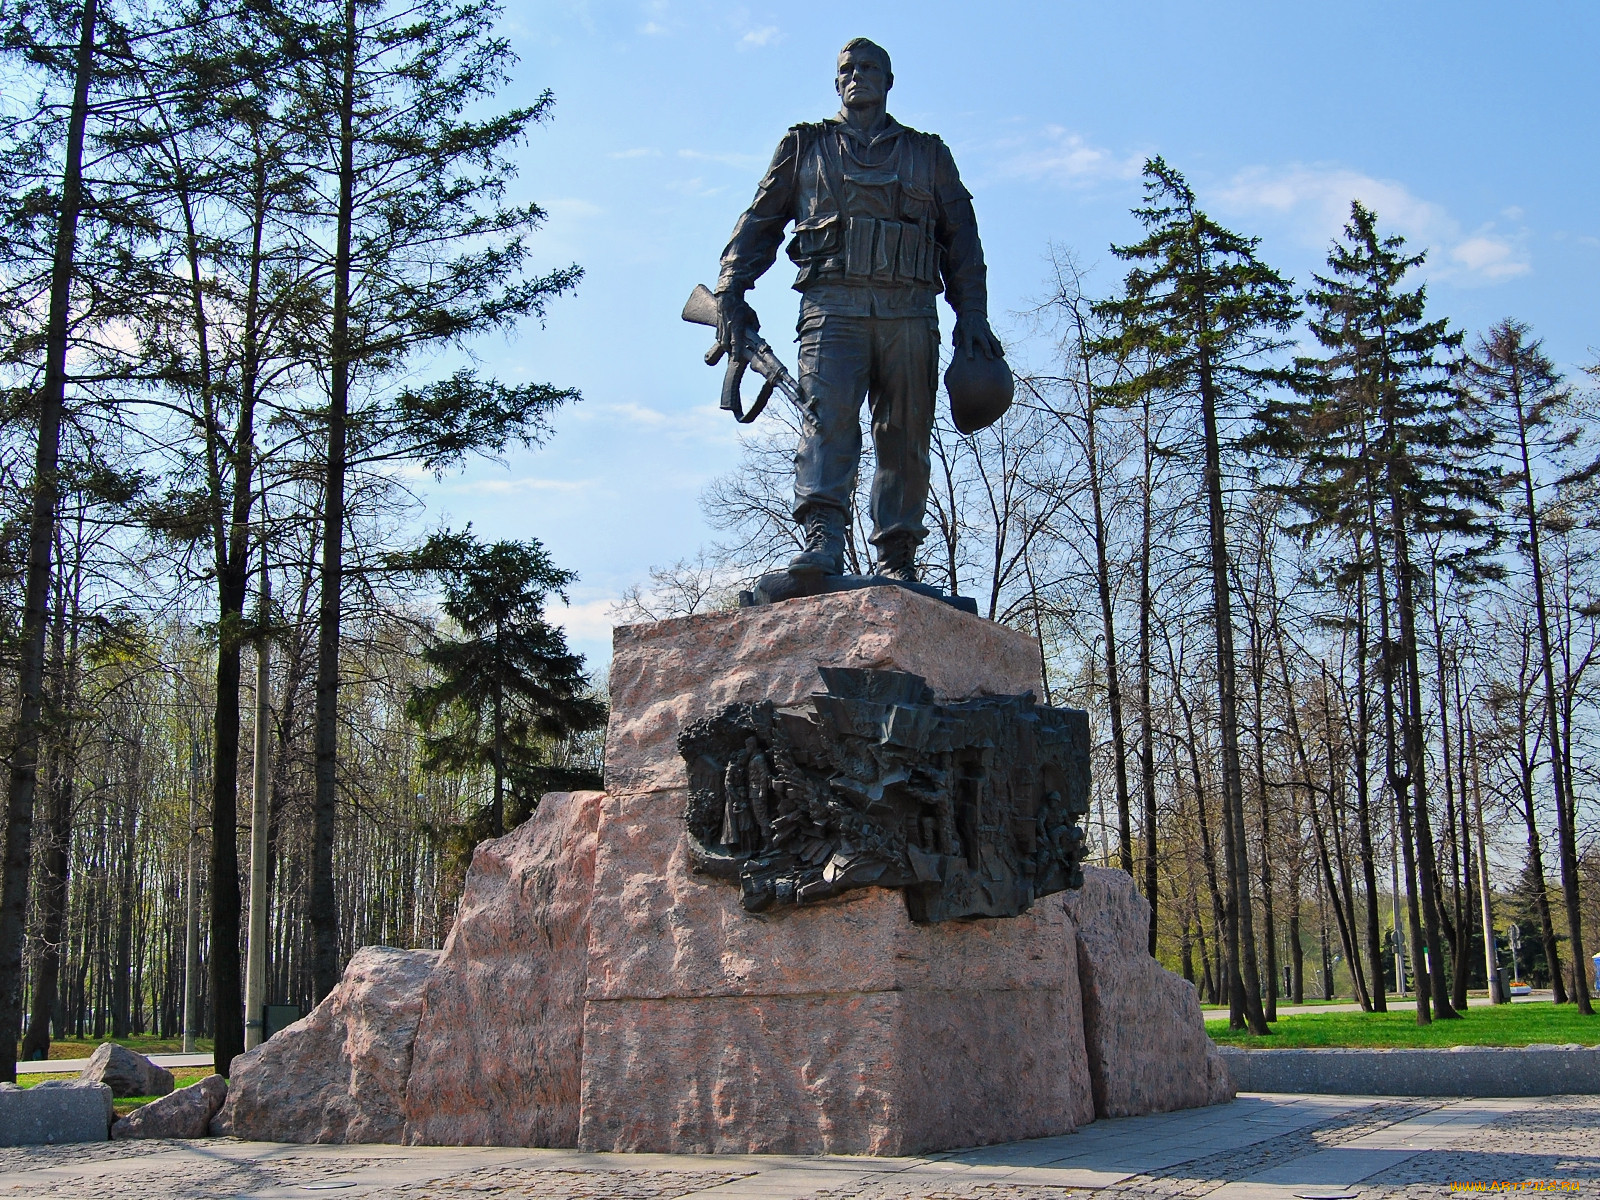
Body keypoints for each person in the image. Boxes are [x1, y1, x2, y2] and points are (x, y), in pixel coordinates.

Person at [713, 38, 1001, 582]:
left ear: (890, 81)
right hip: (833, 308)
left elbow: (963, 239)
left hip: (910, 311)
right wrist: (731, 288)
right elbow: (759, 222)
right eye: (848, 68)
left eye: (870, 68)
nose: (858, 76)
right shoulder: (805, 147)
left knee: (906, 434)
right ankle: (822, 540)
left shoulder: (928, 155)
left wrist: (973, 314)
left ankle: (897, 557)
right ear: (835, 81)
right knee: (826, 422)